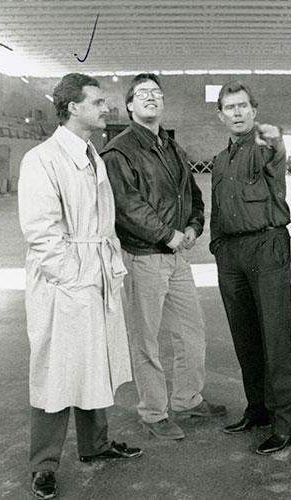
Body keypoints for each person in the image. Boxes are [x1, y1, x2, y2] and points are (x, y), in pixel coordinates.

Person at [18, 73, 141, 500]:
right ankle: (44, 465)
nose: (105, 107)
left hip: (95, 269)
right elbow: (41, 232)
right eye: (97, 101)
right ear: (72, 107)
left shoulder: (94, 155)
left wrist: (99, 268)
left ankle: (96, 444)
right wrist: (70, 276)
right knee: (56, 369)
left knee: (95, 361)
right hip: (64, 279)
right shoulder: (42, 158)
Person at [101, 73, 226, 441]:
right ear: (129, 105)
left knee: (191, 331)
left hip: (176, 256)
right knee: (147, 340)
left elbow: (193, 193)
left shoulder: (171, 148)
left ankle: (187, 399)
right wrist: (165, 234)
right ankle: (154, 412)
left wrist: (192, 226)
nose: (152, 98)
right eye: (143, 94)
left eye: (157, 93)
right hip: (144, 257)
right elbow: (127, 207)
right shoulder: (120, 151)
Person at [210, 81, 291, 455]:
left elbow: (276, 150)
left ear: (254, 110)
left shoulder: (264, 148)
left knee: (275, 338)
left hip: (266, 246)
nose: (238, 112)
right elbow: (216, 205)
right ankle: (258, 409)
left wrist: (275, 139)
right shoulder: (219, 159)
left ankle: (284, 424)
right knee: (245, 337)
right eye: (230, 107)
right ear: (221, 115)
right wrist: (217, 247)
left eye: (244, 106)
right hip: (230, 252)